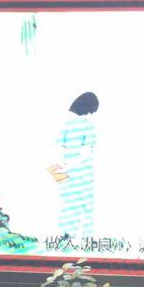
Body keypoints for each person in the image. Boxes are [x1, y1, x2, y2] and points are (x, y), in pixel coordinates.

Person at [50, 92, 99, 240]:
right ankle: (86, 238)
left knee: (69, 205)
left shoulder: (66, 124)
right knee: (85, 207)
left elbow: (59, 147)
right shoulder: (88, 127)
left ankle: (67, 236)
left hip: (67, 173)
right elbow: (85, 154)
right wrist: (67, 166)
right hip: (83, 174)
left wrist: (62, 166)